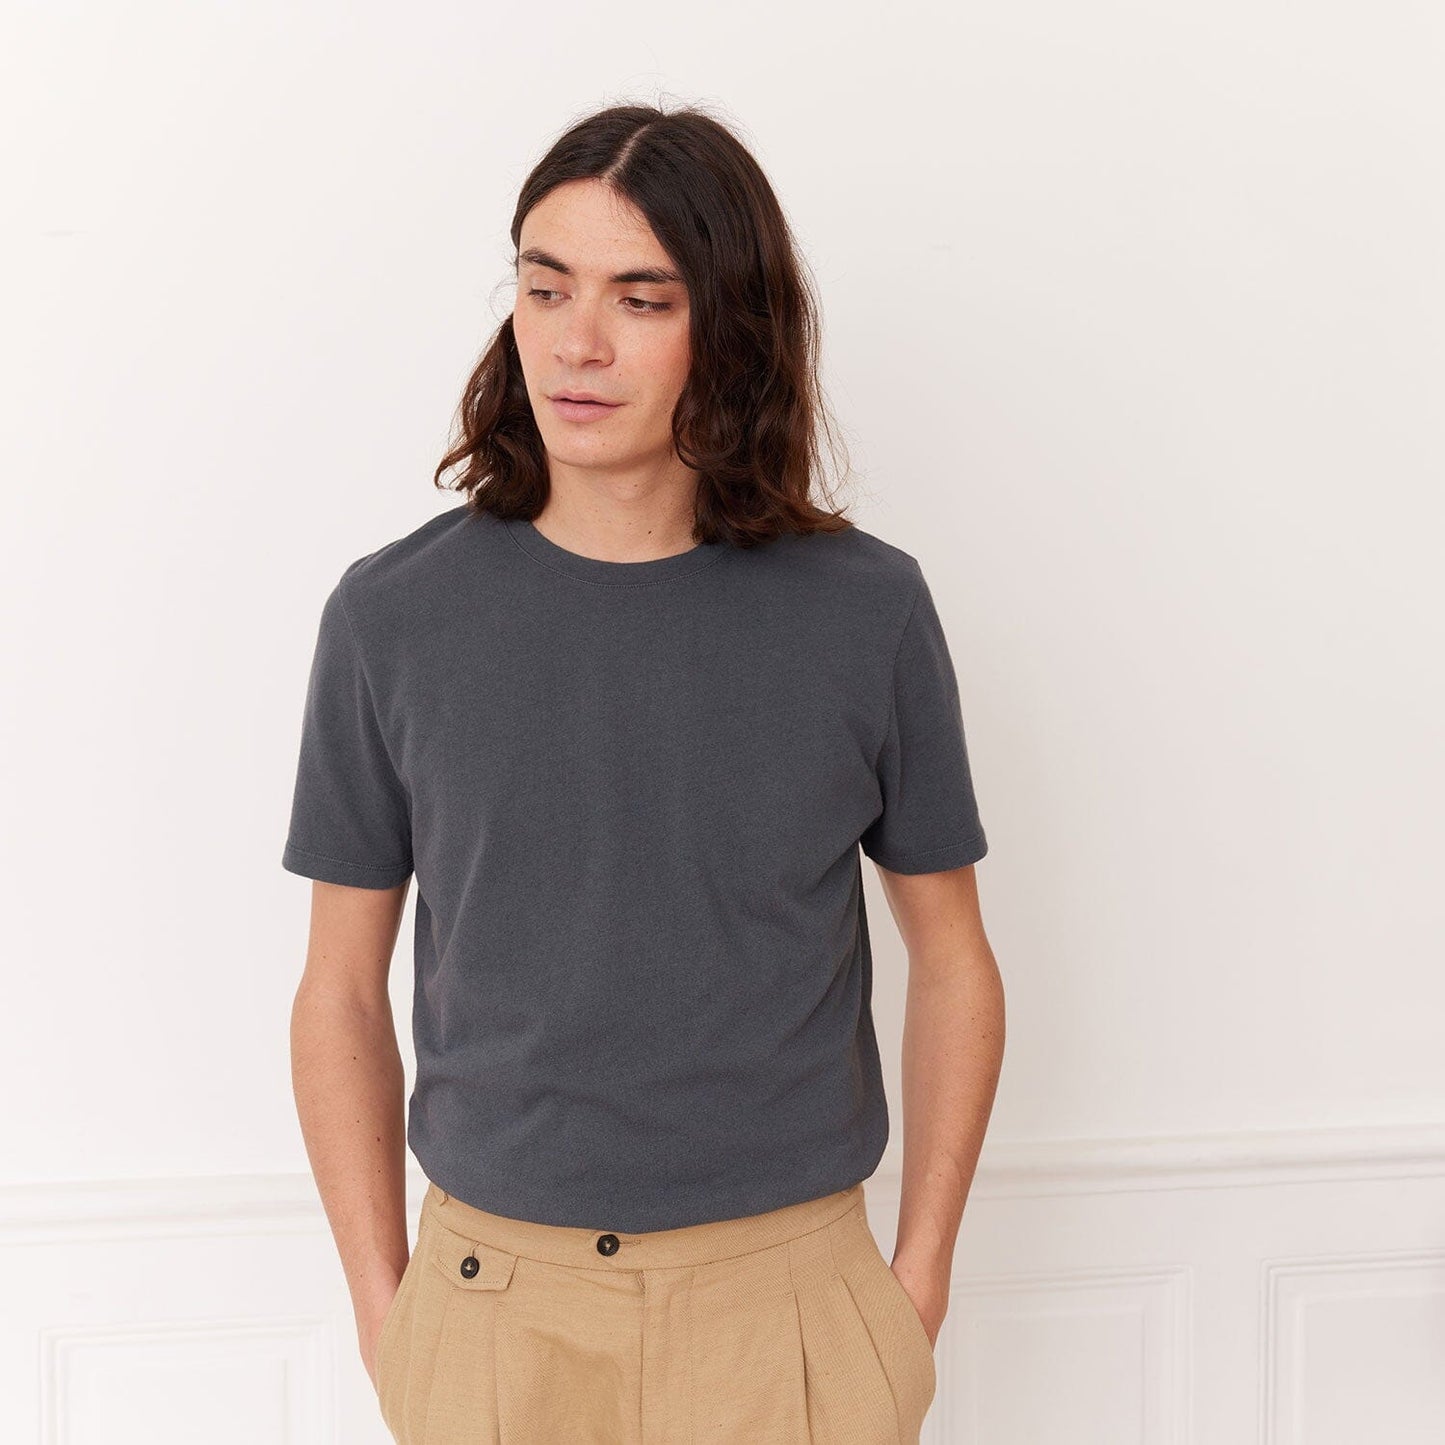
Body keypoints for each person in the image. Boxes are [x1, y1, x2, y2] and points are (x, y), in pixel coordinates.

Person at [283, 100, 1005, 1445]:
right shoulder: (393, 618)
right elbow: (337, 986)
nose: (578, 341)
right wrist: (388, 1311)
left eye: (641, 298)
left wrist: (916, 1283)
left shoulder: (866, 611)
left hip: (791, 1304)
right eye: (545, 286)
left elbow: (953, 955)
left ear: (726, 328)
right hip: (490, 1311)